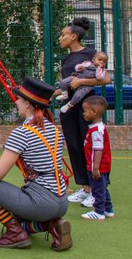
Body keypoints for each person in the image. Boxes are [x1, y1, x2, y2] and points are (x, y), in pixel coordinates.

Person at [0, 77, 72, 252]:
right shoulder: (54, 129)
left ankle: (15, 233)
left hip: (41, 201)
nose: (16, 102)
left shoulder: (22, 132)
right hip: (62, 202)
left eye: (19, 99)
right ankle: (49, 225)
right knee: (17, 210)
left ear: (28, 104)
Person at [55, 17, 110, 207]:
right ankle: (86, 188)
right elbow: (67, 86)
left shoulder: (92, 54)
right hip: (69, 108)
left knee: (91, 148)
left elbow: (105, 80)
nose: (60, 38)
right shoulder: (66, 59)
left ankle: (98, 189)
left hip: (87, 108)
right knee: (75, 146)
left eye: (63, 35)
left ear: (74, 36)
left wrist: (82, 82)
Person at [80, 95, 114, 220]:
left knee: (97, 189)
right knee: (102, 187)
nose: (83, 114)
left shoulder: (96, 130)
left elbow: (98, 149)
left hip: (97, 166)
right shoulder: (98, 127)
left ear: (94, 112)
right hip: (101, 165)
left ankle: (99, 212)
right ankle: (108, 209)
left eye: (85, 111)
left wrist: (95, 167)